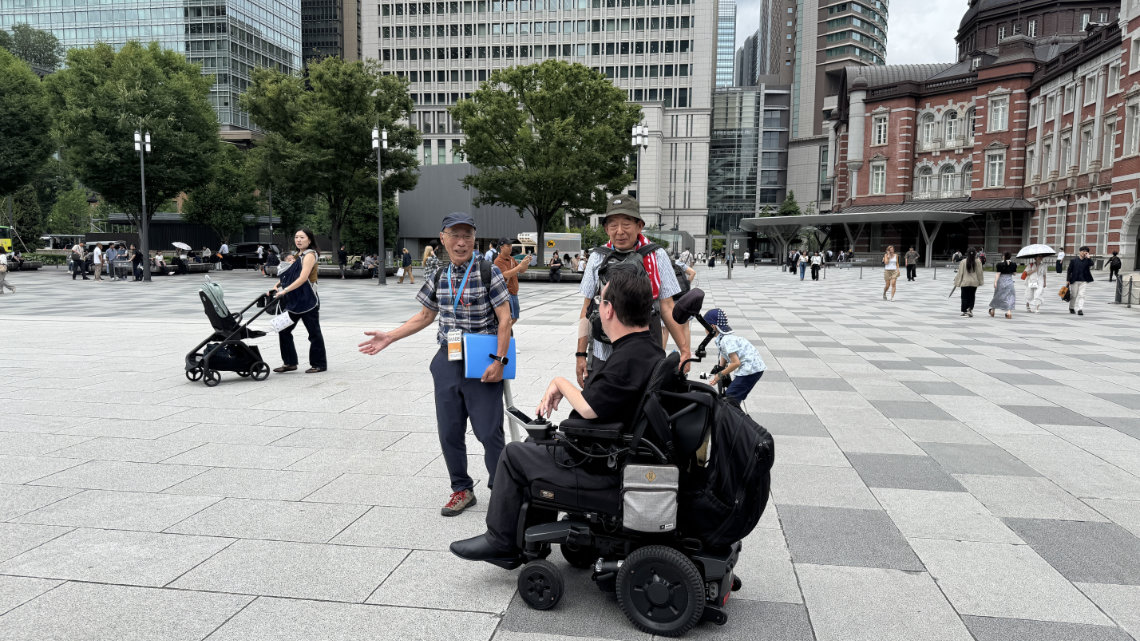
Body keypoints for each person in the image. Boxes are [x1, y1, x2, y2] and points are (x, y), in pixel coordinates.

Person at [449, 266, 664, 565]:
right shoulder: (649, 348)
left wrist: (560, 382)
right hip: (612, 450)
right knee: (534, 444)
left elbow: (590, 409)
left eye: (600, 301)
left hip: (598, 463)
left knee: (513, 455)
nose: (597, 308)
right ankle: (531, 537)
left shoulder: (626, 358)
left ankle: (500, 541)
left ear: (609, 310)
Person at [359, 212, 512, 517]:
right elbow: (425, 316)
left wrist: (499, 360)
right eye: (454, 235)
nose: (461, 242)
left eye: (467, 235)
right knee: (449, 431)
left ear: (474, 239)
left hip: (482, 359)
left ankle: (503, 491)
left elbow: (506, 317)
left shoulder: (486, 271)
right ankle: (461, 489)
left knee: (488, 431)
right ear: (443, 238)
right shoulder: (439, 276)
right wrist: (389, 337)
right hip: (447, 359)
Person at [576, 195, 689, 388]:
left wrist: (685, 350)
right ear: (606, 229)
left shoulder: (657, 255)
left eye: (626, 224)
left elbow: (667, 307)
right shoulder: (596, 257)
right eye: (613, 225)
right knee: (602, 410)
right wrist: (580, 354)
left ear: (639, 226)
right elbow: (587, 309)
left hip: (646, 353)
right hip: (604, 352)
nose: (620, 232)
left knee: (645, 408)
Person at [270, 230, 327, 374]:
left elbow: (302, 278)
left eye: (302, 237)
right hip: (295, 300)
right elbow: (289, 274)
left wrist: (285, 290)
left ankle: (319, 364)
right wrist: (277, 285)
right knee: (283, 329)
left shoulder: (310, 255)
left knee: (314, 333)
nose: (299, 240)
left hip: (308, 300)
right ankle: (290, 363)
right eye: (296, 237)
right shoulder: (297, 255)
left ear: (309, 240)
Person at [703, 308, 766, 407]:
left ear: (712, 327)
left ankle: (734, 418)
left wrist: (720, 374)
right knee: (734, 396)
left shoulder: (726, 340)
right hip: (752, 367)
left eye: (705, 326)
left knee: (730, 397)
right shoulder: (722, 337)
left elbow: (736, 363)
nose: (704, 329)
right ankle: (734, 414)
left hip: (751, 369)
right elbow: (725, 353)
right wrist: (721, 367)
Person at [493, 237, 532, 331]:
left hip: (514, 293)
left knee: (514, 317)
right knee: (508, 318)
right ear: (501, 247)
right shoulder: (498, 261)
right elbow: (505, 275)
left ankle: (505, 332)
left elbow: (522, 270)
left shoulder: (511, 259)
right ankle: (504, 333)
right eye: (508, 245)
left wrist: (526, 263)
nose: (510, 247)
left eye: (511, 245)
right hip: (507, 293)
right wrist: (519, 266)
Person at [953, 249, 985, 317]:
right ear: (975, 254)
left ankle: (964, 310)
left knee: (964, 297)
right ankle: (970, 309)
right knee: (972, 296)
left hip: (965, 282)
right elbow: (980, 273)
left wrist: (957, 282)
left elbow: (960, 273)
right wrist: (980, 281)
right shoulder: (978, 261)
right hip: (974, 282)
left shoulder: (963, 261)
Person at [987, 252, 1018, 319]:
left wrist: (995, 282)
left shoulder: (1000, 264)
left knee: (997, 296)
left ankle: (993, 310)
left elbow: (998, 274)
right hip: (1009, 282)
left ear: (1003, 256)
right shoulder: (1013, 264)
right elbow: (1015, 273)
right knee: (1010, 297)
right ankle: (1009, 312)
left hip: (1001, 282)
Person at [1066, 245, 1095, 316]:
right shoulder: (1073, 261)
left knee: (1082, 295)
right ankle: (1071, 307)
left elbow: (1092, 264)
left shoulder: (1087, 261)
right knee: (1074, 295)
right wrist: (1068, 280)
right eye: (1083, 251)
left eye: (1086, 252)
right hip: (1074, 280)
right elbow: (1069, 270)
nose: (1084, 253)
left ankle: (1080, 309)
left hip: (1084, 280)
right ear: (1079, 252)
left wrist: (1089, 257)